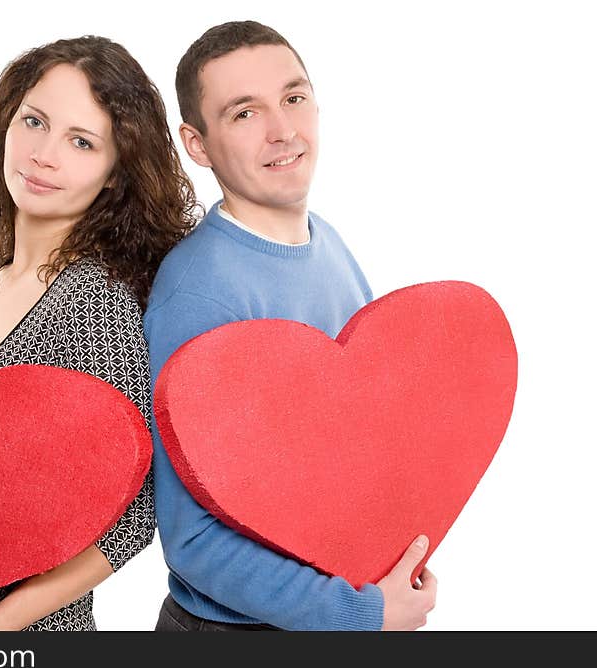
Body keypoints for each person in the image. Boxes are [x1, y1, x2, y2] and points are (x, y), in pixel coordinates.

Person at [0, 35, 199, 631]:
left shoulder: (91, 305)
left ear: (114, 174)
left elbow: (134, 514)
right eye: (34, 122)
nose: (44, 154)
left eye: (81, 142)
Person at [145, 20, 438, 631]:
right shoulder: (197, 294)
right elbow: (190, 539)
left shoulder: (327, 243)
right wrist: (359, 613)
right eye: (244, 113)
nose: (283, 130)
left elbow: (362, 439)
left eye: (294, 98)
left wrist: (396, 563)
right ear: (197, 145)